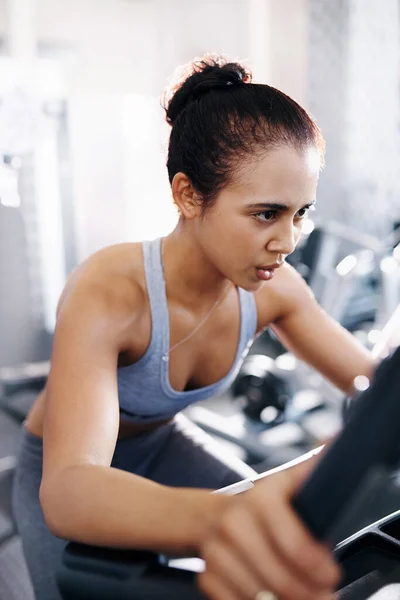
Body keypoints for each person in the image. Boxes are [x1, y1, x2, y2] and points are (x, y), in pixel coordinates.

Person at [13, 54, 376, 600]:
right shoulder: (110, 290)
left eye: (301, 213)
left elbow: (375, 389)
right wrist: (223, 520)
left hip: (163, 445)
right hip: (68, 470)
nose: (288, 241)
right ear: (187, 195)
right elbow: (68, 492)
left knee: (284, 547)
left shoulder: (275, 289)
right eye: (265, 213)